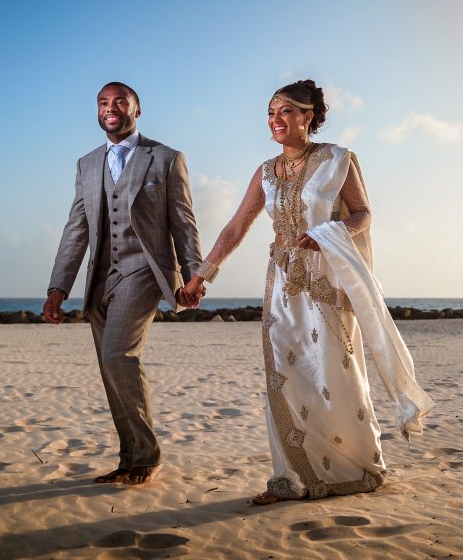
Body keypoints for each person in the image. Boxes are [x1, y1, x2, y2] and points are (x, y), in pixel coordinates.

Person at [182, 79, 434, 504]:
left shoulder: (338, 159)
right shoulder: (266, 171)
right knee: (284, 373)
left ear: (309, 116)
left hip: (326, 279)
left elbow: (364, 214)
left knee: (334, 373)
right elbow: (236, 227)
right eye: (270, 112)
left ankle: (355, 467)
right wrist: (202, 275)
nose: (276, 120)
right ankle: (288, 479)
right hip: (281, 282)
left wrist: (331, 233)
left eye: (286, 111)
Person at [43, 81, 206, 486]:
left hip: (144, 271)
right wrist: (57, 288)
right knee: (109, 369)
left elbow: (183, 221)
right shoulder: (86, 163)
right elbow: (76, 228)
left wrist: (194, 274)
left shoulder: (166, 158)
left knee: (119, 357)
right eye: (102, 102)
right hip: (101, 277)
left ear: (137, 109)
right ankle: (129, 457)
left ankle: (147, 455)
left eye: (119, 102)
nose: (109, 108)